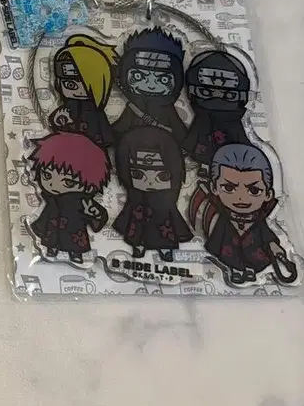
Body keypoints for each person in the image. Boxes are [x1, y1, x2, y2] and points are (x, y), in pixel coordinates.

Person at [192, 143, 292, 285]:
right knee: (232, 260)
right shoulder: (224, 219)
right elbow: (218, 236)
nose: (241, 198)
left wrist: (275, 248)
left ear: (268, 194)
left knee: (252, 262)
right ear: (214, 188)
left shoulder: (258, 220)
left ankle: (250, 271)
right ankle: (236, 271)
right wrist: (211, 249)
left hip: (254, 254)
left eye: (254, 190)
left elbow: (266, 235)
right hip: (230, 253)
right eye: (229, 188)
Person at [27, 132, 110, 263]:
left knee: (75, 241)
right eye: (47, 176)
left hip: (74, 228)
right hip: (53, 225)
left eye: (69, 182)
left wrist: (95, 214)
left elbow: (98, 217)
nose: (53, 185)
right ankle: (51, 249)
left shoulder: (83, 200)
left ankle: (75, 254)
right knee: (51, 238)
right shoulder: (49, 197)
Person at [112, 127, 191, 261]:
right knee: (138, 226)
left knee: (165, 226)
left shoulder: (168, 200)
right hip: (140, 211)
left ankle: (165, 246)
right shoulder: (135, 197)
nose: (149, 182)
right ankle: (139, 244)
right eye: (138, 174)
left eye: (162, 176)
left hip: (162, 211)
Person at [112, 28, 187, 142]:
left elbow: (180, 132)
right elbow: (120, 128)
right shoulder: (134, 106)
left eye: (163, 79)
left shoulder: (167, 109)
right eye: (139, 76)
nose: (151, 85)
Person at [182, 51, 251, 166]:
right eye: (206, 93)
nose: (217, 99)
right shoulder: (202, 119)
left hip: (228, 164)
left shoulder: (232, 124)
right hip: (205, 160)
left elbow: (243, 144)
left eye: (229, 95)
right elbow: (190, 141)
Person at [48, 35, 117, 147]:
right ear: (59, 84)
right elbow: (56, 127)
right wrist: (60, 121)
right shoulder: (66, 109)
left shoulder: (96, 113)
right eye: (70, 85)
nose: (79, 91)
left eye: (86, 85)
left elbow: (106, 138)